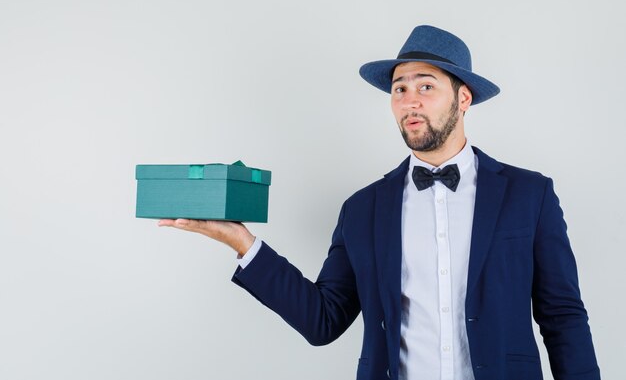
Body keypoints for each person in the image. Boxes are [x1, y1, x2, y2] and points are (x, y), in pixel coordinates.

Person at [158, 25, 600, 380]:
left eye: (426, 86)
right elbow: (323, 320)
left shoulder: (529, 194)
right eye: (399, 89)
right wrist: (242, 242)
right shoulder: (363, 209)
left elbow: (562, 316)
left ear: (463, 98)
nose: (410, 101)